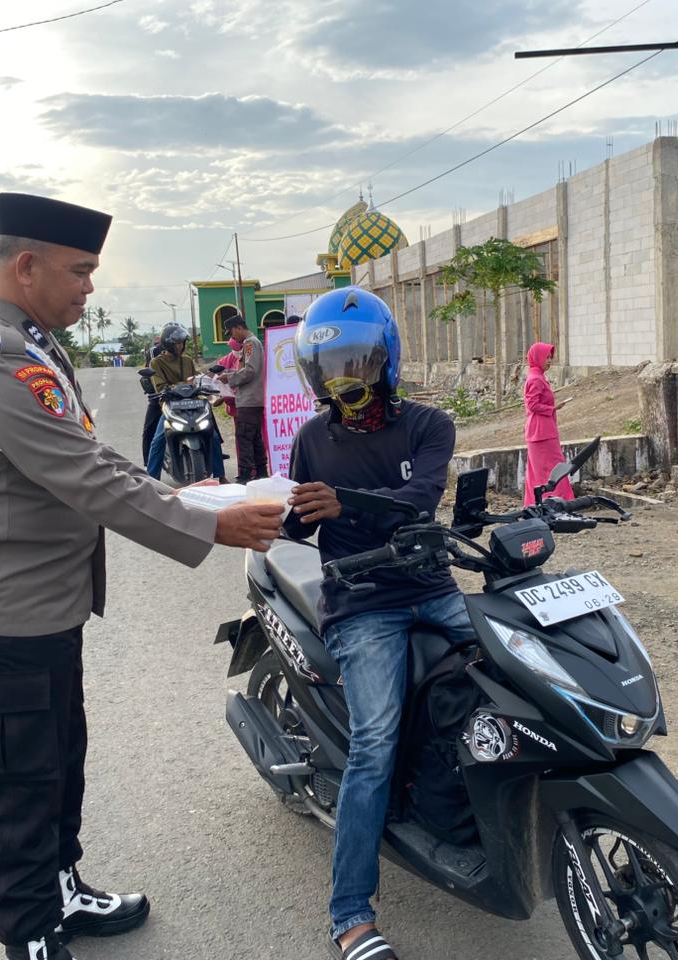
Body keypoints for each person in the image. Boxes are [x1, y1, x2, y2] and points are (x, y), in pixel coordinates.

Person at [0, 192, 284, 960]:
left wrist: (180, 496)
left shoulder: (27, 342)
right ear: (26, 265)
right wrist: (208, 524)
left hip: (38, 612)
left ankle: (61, 888)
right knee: (20, 788)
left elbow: (85, 455)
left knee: (58, 766)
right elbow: (85, 478)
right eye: (79, 271)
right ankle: (29, 933)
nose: (89, 287)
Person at [284, 287, 471, 960]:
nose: (343, 381)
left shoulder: (428, 425)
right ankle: (350, 916)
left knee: (518, 682)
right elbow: (298, 523)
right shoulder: (311, 438)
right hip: (361, 604)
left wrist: (345, 503)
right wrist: (268, 508)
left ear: (385, 359)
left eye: (355, 363)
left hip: (433, 588)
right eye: (329, 368)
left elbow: (420, 498)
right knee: (373, 744)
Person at [145, 322, 225, 481]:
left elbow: (196, 378)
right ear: (168, 344)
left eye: (182, 343)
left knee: (213, 436)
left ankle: (220, 475)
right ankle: (152, 480)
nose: (180, 346)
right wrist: (185, 384)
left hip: (193, 404)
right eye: (177, 343)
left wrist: (208, 383)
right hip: (171, 406)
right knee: (158, 440)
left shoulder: (187, 360)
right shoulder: (156, 363)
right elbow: (159, 386)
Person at [218, 313, 268, 482]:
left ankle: (245, 476)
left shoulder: (249, 343)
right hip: (254, 399)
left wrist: (230, 377)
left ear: (239, 328)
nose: (232, 337)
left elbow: (250, 370)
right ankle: (261, 472)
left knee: (244, 437)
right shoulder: (253, 343)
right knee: (255, 438)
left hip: (249, 399)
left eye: (232, 332)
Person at [522, 341, 571, 505]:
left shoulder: (537, 376)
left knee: (536, 472)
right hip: (541, 431)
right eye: (546, 357)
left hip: (540, 429)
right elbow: (532, 405)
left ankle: (535, 504)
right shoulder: (536, 379)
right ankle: (560, 502)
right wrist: (553, 408)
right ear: (537, 358)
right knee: (555, 468)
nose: (549, 361)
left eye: (550, 357)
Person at [140, 335, 164, 462]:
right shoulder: (154, 353)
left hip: (182, 396)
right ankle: (148, 463)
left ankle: (215, 452)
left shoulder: (184, 358)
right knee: (149, 430)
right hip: (159, 395)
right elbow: (152, 373)